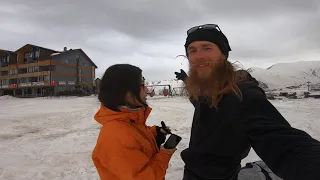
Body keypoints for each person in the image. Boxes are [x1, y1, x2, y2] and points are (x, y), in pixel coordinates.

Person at [174, 24, 320, 180]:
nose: (199, 56)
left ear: (223, 54)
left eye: (207, 48)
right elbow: (199, 100)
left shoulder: (241, 93)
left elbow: (285, 144)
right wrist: (186, 80)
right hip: (192, 174)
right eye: (192, 50)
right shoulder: (209, 88)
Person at [92, 64, 176, 180]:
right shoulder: (116, 137)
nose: (146, 90)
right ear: (126, 93)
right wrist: (165, 153)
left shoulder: (129, 120)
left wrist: (156, 132)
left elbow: (136, 136)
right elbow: (144, 177)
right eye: (141, 85)